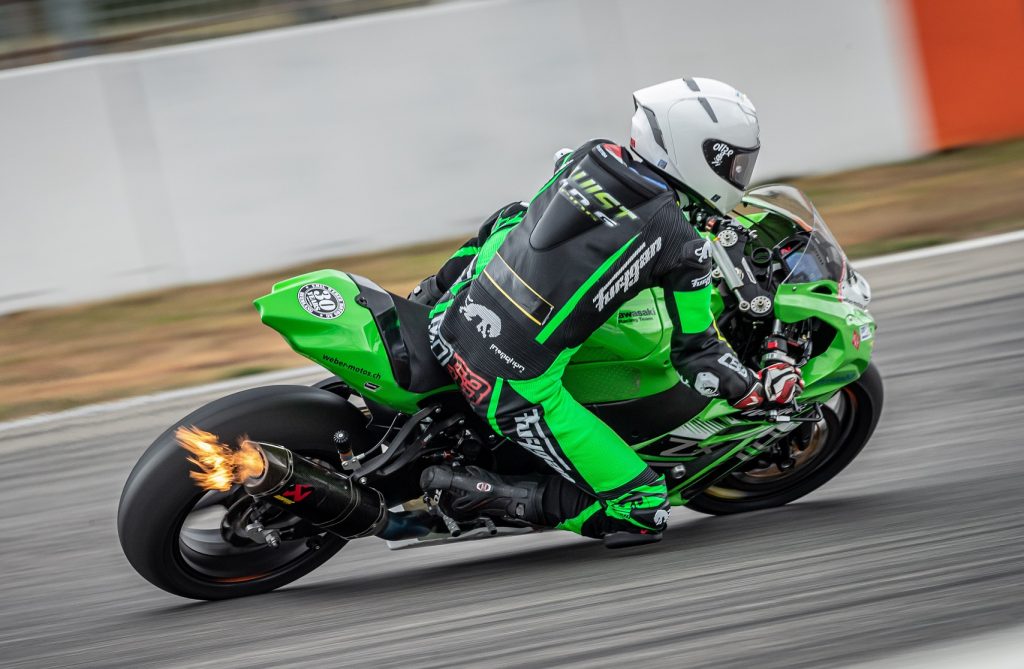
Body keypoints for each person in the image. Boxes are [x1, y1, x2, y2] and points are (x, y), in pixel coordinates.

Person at [416, 78, 803, 548]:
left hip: (447, 317)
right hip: (505, 383)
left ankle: (430, 292)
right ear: (701, 156)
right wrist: (759, 391)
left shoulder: (592, 154)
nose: (740, 175)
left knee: (517, 215)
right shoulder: (682, 245)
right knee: (643, 509)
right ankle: (476, 495)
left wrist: (437, 286)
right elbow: (699, 358)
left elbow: (509, 218)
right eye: (736, 164)